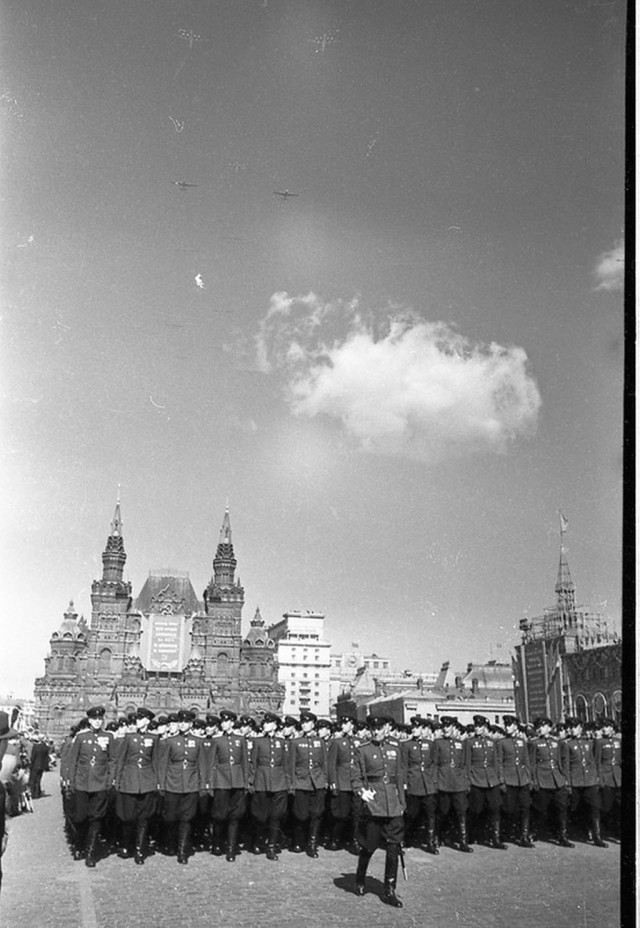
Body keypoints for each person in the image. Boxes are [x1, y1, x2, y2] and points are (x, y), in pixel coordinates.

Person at [351, 715, 406, 908]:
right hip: (374, 804)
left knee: (393, 848)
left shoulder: (395, 750)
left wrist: (402, 805)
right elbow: (356, 777)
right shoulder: (362, 750)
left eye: (380, 728)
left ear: (387, 729)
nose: (376, 732)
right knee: (369, 846)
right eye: (373, 728)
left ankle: (389, 890)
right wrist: (361, 792)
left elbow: (399, 778)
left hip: (393, 804)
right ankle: (360, 878)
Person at [65, 705, 116, 867]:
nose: (97, 722)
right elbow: (73, 761)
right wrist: (71, 781)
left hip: (100, 784)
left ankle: (90, 852)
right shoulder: (81, 738)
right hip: (81, 783)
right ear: (89, 720)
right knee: (80, 818)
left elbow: (112, 760)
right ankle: (79, 845)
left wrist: (109, 780)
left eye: (100, 719)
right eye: (94, 719)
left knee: (96, 818)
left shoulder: (109, 737)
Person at [155, 708, 206, 864]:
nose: (183, 725)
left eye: (186, 722)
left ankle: (182, 850)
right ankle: (170, 844)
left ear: (191, 724)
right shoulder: (169, 741)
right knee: (170, 818)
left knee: (186, 818)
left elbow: (202, 764)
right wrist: (161, 784)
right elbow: (163, 764)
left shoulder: (198, 742)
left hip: (190, 784)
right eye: (181, 722)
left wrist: (202, 785)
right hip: (173, 783)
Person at [114, 707, 158, 864]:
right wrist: (117, 780)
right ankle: (127, 845)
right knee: (128, 817)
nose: (137, 721)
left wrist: (156, 782)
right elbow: (121, 760)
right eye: (137, 719)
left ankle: (140, 850)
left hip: (146, 782)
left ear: (147, 721)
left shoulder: (154, 738)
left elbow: (155, 761)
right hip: (129, 781)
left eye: (140, 719)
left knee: (143, 818)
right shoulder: (128, 738)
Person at [207, 708, 248, 862]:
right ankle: (217, 843)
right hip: (221, 781)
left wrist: (244, 782)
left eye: (226, 721)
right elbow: (211, 762)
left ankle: (231, 847)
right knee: (219, 815)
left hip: (237, 780)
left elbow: (244, 762)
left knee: (235, 816)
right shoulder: (217, 740)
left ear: (231, 722)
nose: (223, 724)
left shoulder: (241, 739)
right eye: (222, 721)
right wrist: (211, 783)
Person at [248, 712, 290, 860]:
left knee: (276, 816)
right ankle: (258, 841)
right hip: (262, 781)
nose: (264, 725)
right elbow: (253, 763)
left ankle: (271, 846)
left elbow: (286, 764)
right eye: (264, 723)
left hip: (279, 782)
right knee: (260, 816)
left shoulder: (283, 742)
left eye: (268, 723)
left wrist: (288, 783)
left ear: (275, 725)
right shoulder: (258, 742)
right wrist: (251, 781)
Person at [287, 711, 328, 858]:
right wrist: (292, 783)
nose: (304, 725)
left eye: (307, 722)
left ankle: (312, 844)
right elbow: (291, 765)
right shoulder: (295, 742)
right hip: (301, 782)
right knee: (301, 814)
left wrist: (325, 780)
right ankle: (298, 841)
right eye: (302, 723)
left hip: (317, 782)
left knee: (316, 814)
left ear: (313, 724)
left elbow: (324, 764)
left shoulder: (320, 742)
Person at [433, 716, 472, 852]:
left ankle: (463, 841)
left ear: (453, 727)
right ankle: (437, 836)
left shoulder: (461, 743)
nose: (445, 729)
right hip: (444, 782)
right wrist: (436, 781)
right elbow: (434, 764)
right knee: (443, 811)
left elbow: (465, 764)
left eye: (448, 726)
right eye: (443, 726)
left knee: (461, 812)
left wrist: (466, 781)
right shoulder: (437, 743)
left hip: (458, 783)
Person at [401, 716, 438, 854]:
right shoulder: (407, 745)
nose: (414, 730)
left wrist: (433, 780)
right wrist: (405, 783)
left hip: (428, 785)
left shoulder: (430, 744)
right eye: (413, 728)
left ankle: (430, 842)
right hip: (414, 783)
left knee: (430, 814)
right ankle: (405, 839)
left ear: (423, 729)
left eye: (417, 728)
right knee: (411, 814)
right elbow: (404, 766)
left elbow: (434, 763)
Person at [496, 715, 534, 847]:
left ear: (516, 726)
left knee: (525, 807)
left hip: (522, 779)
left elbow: (526, 761)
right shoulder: (501, 742)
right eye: (505, 725)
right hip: (509, 779)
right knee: (509, 809)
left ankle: (524, 836)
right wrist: (502, 780)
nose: (506, 727)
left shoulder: (522, 742)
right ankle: (506, 833)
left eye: (509, 725)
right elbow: (499, 762)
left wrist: (529, 778)